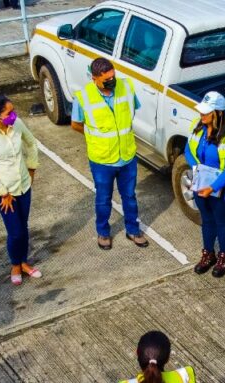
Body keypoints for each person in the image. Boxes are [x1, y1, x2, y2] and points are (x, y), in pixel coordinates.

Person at [71, 57, 149, 251]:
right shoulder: (83, 97)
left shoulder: (126, 87)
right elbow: (76, 124)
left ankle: (133, 230)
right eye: (107, 79)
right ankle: (103, 233)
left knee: (129, 196)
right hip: (102, 159)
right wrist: (97, 137)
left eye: (113, 76)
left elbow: (132, 110)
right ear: (94, 78)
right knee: (103, 199)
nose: (112, 81)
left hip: (127, 155)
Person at [0, 93, 43, 286]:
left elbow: (31, 143)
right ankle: (16, 264)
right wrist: (3, 193)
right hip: (5, 193)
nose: (13, 115)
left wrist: (31, 168)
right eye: (9, 112)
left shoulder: (17, 125)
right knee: (15, 232)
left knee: (23, 227)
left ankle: (23, 261)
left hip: (24, 186)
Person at [185, 91, 225, 277]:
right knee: (206, 220)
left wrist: (212, 187)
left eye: (206, 112)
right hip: (200, 185)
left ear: (218, 113)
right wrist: (198, 173)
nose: (201, 115)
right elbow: (188, 152)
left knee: (221, 221)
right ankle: (208, 254)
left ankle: (223, 256)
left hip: (220, 189)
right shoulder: (197, 127)